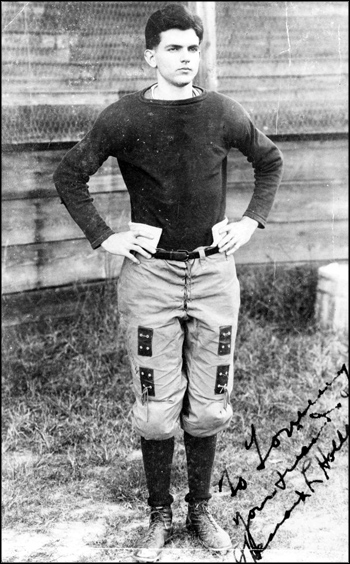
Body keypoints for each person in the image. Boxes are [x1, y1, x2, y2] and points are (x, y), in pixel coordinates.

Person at [53, 4, 283, 561]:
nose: (185, 58)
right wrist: (105, 236)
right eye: (173, 48)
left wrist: (250, 222)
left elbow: (269, 160)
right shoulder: (124, 117)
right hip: (150, 278)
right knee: (157, 410)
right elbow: (70, 175)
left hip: (212, 274)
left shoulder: (223, 111)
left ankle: (199, 511)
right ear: (150, 55)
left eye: (192, 48)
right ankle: (159, 515)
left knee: (207, 407)